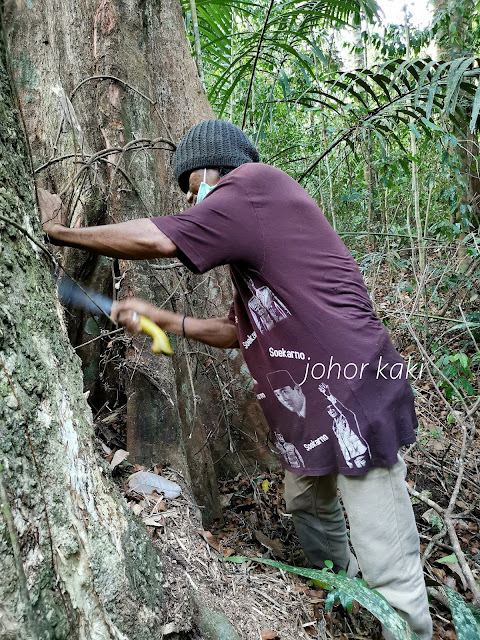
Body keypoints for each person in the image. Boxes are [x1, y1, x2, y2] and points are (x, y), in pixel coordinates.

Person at [38, 118, 432, 639]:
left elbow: (160, 241)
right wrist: (164, 320)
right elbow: (234, 329)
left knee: (385, 545)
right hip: (313, 407)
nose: (191, 202)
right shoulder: (259, 227)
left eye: (192, 189)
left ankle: (407, 626)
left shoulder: (254, 185)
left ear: (212, 169)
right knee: (306, 503)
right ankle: (343, 590)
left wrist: (58, 233)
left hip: (352, 393)